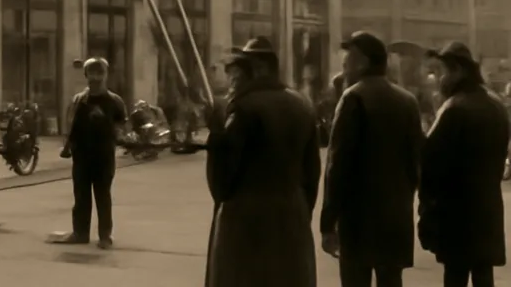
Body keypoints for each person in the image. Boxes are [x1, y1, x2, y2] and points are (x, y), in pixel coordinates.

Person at [203, 37, 320, 287]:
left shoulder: (245, 108)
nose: (234, 80)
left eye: (240, 72)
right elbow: (312, 173)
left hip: (247, 220)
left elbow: (223, 182)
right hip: (293, 215)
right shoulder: (302, 104)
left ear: (259, 69)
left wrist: (216, 136)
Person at [321, 30, 423, 287]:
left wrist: (328, 222)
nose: (344, 66)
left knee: (356, 280)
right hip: (396, 216)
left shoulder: (353, 97)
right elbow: (416, 163)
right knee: (391, 280)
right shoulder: (407, 101)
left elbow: (338, 165)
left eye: (349, 59)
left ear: (363, 62)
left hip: (358, 219)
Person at [418, 42, 510, 287]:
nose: (439, 79)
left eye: (443, 72)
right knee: (483, 275)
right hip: (488, 211)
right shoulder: (497, 106)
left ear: (457, 70)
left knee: (455, 277)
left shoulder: (454, 108)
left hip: (456, 215)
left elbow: (430, 164)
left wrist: (426, 212)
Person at [51, 57, 127, 250]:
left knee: (103, 196)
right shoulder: (78, 100)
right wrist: (67, 147)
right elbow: (71, 126)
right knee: (81, 196)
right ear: (86, 76)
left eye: (99, 72)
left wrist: (115, 132)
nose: (96, 77)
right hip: (82, 155)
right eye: (92, 73)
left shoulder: (114, 101)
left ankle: (104, 236)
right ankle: (80, 233)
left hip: (104, 156)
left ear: (106, 74)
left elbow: (122, 126)